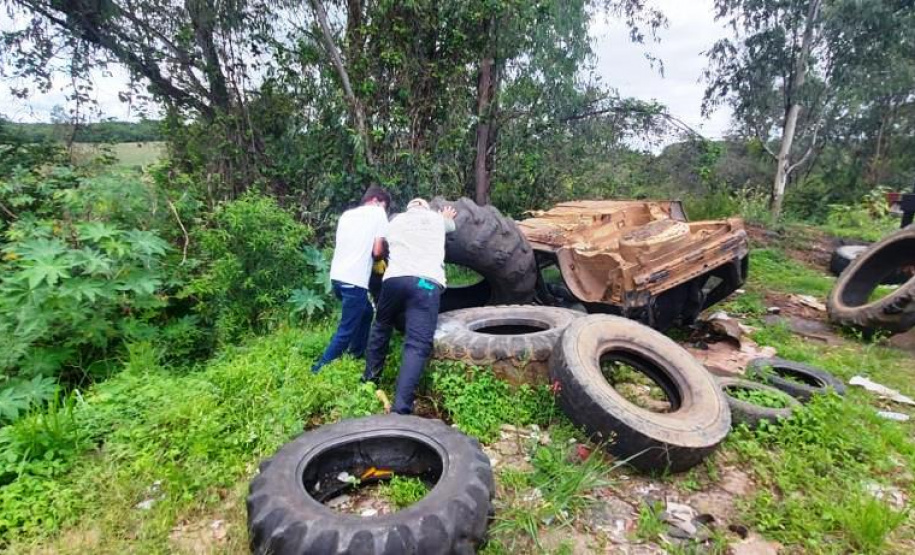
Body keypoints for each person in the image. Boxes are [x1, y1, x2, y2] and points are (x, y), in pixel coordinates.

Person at [363, 198, 457, 414]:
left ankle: (369, 381)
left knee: (381, 327)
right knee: (417, 344)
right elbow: (452, 227)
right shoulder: (436, 220)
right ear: (426, 208)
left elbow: (381, 246)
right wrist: (447, 217)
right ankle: (401, 407)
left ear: (408, 208)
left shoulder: (395, 221)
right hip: (425, 283)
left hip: (394, 280)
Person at [311, 186, 391, 373]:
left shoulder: (347, 215)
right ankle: (319, 369)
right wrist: (379, 262)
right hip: (354, 282)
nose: (384, 210)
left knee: (365, 313)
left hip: (337, 278)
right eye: (384, 206)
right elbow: (377, 250)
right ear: (376, 201)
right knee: (346, 330)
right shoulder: (378, 213)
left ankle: (356, 353)